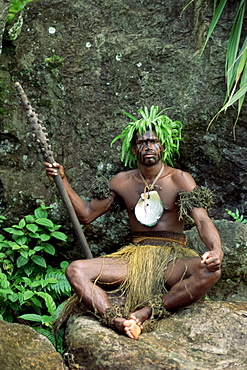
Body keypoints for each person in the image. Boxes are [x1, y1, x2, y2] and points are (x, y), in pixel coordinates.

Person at [44, 106, 223, 340]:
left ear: (163, 147)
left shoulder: (180, 179)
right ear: (133, 148)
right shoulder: (121, 181)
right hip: (134, 259)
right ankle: (117, 321)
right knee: (75, 270)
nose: (148, 146)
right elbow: (86, 215)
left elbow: (202, 220)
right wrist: (63, 180)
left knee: (211, 271)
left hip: (172, 259)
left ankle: (145, 313)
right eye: (142, 142)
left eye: (153, 142)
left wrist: (216, 250)